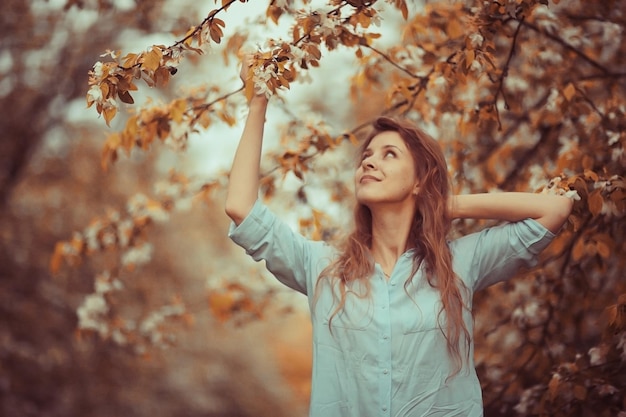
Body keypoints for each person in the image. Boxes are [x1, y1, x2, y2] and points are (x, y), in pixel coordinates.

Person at [224, 57, 573, 417]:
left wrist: (440, 204)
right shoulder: (322, 267)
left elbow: (554, 209)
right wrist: (258, 101)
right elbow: (240, 207)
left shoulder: (459, 264)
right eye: (367, 157)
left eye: (389, 154)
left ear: (420, 180)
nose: (369, 163)